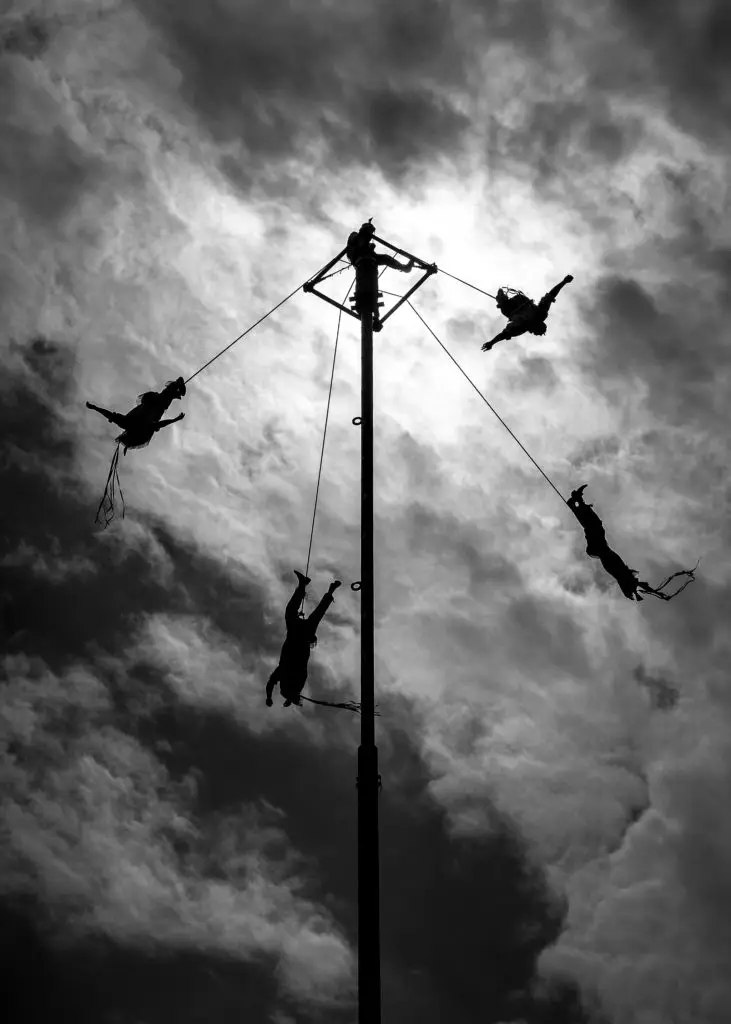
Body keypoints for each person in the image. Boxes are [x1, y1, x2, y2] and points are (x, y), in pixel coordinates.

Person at [567, 484, 697, 601]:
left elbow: (628, 582)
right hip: (601, 548)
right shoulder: (622, 573)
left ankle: (576, 502)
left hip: (600, 548)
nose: (636, 578)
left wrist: (647, 589)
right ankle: (575, 503)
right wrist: (652, 590)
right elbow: (632, 583)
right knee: (593, 525)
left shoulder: (621, 574)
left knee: (593, 526)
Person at [266, 571, 342, 707]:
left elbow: (272, 683)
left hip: (301, 636)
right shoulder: (289, 674)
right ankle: (309, 586)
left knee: (315, 613)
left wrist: (270, 697)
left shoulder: (289, 674)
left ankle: (321, 589)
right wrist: (272, 697)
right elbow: (272, 683)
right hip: (299, 636)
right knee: (295, 612)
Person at [86, 377, 186, 453]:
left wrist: (95, 408)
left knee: (163, 397)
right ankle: (176, 391)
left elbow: (109, 414)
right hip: (156, 404)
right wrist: (175, 419)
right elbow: (160, 424)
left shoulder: (128, 424)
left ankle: (176, 390)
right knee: (164, 398)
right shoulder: (142, 428)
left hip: (153, 402)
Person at [482, 275, 573, 351]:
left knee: (506, 308)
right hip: (521, 302)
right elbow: (550, 295)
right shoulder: (541, 313)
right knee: (509, 308)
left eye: (533, 332)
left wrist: (491, 343)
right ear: (538, 324)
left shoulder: (520, 328)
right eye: (534, 330)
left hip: (511, 310)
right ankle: (502, 298)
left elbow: (504, 335)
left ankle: (502, 299)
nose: (531, 331)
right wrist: (563, 282)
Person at [346, 219, 414, 273]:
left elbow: (367, 249)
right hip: (359, 258)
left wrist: (371, 248)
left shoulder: (365, 241)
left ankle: (404, 268)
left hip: (368, 259)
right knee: (384, 258)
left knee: (386, 258)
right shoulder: (356, 235)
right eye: (370, 233)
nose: (371, 236)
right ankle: (405, 268)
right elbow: (360, 244)